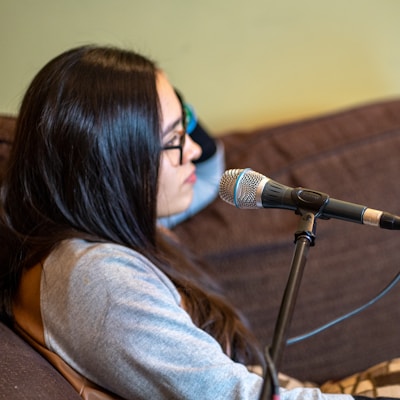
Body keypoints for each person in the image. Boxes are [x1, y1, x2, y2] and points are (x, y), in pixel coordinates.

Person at [0, 45, 362, 400]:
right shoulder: (97, 278)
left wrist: (157, 98)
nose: (191, 149)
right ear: (119, 161)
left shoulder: (102, 221)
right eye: (175, 138)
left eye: (184, 126)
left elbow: (207, 166)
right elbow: (233, 396)